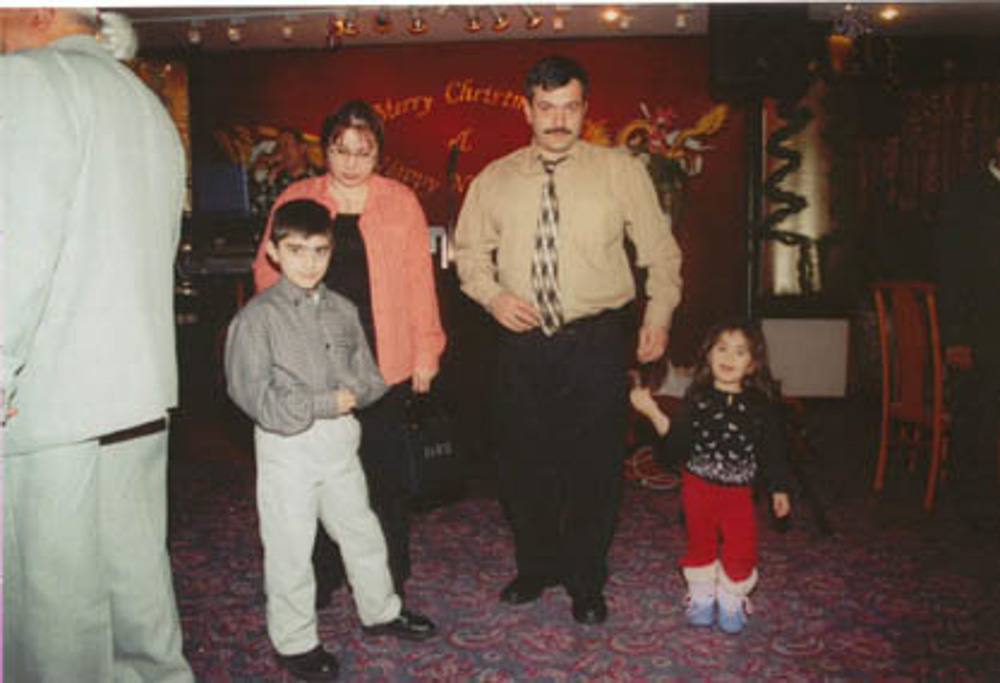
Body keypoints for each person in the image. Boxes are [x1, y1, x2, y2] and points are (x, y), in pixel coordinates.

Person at [453, 55, 683, 625]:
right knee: (522, 462)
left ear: (585, 108)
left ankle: (585, 578)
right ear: (527, 109)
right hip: (522, 341)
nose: (558, 120)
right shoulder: (495, 178)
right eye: (547, 108)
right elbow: (467, 254)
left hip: (596, 339)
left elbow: (660, 250)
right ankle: (535, 565)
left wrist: (659, 314)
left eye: (570, 107)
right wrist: (492, 297)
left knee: (595, 464)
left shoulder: (620, 171)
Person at [1, 8, 193, 681]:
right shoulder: (146, 104)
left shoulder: (26, 80)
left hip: (46, 399)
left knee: (56, 626)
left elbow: (16, 252)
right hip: (137, 390)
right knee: (140, 611)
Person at [226, 200, 437, 682]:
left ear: (331, 251)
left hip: (342, 441)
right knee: (290, 544)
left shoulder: (343, 309)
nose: (308, 262)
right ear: (275, 252)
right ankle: (295, 640)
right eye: (296, 250)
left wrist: (357, 392)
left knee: (361, 529)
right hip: (287, 446)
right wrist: (324, 401)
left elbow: (370, 376)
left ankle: (381, 608)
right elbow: (252, 395)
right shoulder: (256, 319)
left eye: (319, 250)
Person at [252, 100, 446, 605]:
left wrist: (427, 351)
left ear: (379, 152)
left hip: (383, 361)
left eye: (364, 151)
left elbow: (419, 282)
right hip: (314, 366)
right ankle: (322, 575)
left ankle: (387, 579)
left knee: (384, 480)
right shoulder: (298, 196)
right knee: (318, 479)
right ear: (326, 149)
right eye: (341, 150)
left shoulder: (400, 200)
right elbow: (265, 274)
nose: (352, 162)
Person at [630, 320, 791, 634]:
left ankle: (731, 600)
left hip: (739, 493)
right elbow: (676, 446)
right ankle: (703, 598)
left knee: (741, 546)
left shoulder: (760, 406)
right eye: (722, 348)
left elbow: (774, 451)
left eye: (740, 351)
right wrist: (652, 412)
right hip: (697, 488)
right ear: (708, 356)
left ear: (753, 363)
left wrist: (779, 488)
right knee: (700, 542)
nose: (729, 357)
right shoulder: (697, 398)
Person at [934, 132, 1000, 534]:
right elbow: (949, 272)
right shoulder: (966, 196)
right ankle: (974, 510)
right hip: (979, 335)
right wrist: (955, 338)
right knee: (977, 418)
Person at [250, 127, 319, 217]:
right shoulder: (276, 176)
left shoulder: (315, 180)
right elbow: (255, 209)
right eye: (279, 146)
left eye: (286, 145)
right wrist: (261, 175)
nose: (282, 151)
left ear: (302, 148)